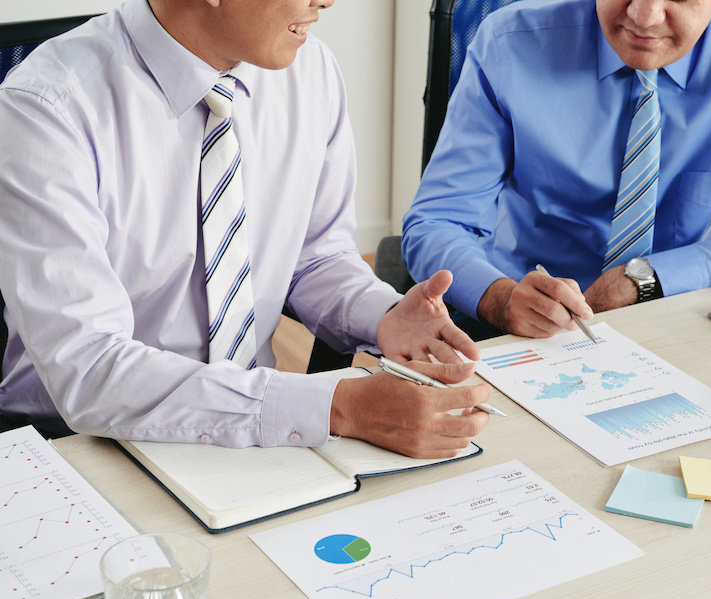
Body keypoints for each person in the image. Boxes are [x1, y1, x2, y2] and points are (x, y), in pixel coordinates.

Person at [0, 0, 493, 459]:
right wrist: (337, 405)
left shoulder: (311, 71)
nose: (328, 0)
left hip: (258, 428)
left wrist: (383, 316)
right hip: (75, 443)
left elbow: (316, 257)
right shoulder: (45, 109)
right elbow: (89, 369)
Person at [402, 0, 711, 339]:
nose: (644, 17)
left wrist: (647, 280)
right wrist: (500, 299)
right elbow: (436, 222)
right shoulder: (508, 41)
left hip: (677, 312)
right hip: (521, 323)